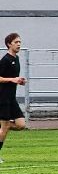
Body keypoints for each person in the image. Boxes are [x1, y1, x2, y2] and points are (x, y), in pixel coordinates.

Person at [0, 32, 26, 163]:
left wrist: (19, 81)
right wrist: (12, 79)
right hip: (3, 98)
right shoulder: (5, 60)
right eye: (16, 42)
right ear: (9, 44)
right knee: (4, 128)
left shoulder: (16, 59)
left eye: (20, 42)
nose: (19, 45)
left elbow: (13, 79)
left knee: (21, 124)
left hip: (12, 98)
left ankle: (2, 124)